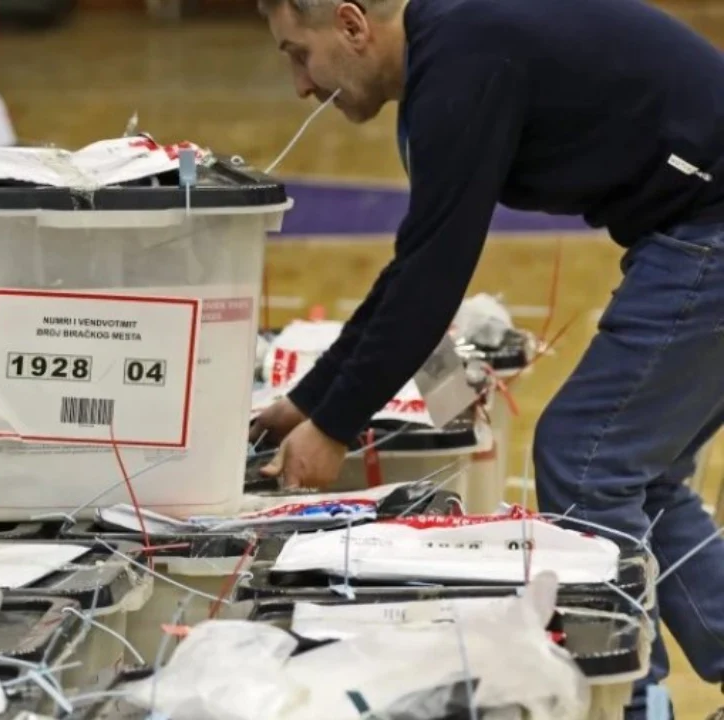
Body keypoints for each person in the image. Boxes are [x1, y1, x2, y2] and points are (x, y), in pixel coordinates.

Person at [249, 0, 724, 716]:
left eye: (298, 54)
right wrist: (311, 402)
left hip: (709, 227)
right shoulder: (450, 50)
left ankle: (629, 702)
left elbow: (432, 281)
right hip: (696, 223)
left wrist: (334, 427)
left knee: (586, 459)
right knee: (636, 474)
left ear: (351, 25)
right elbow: (414, 268)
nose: (301, 86)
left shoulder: (462, 61)